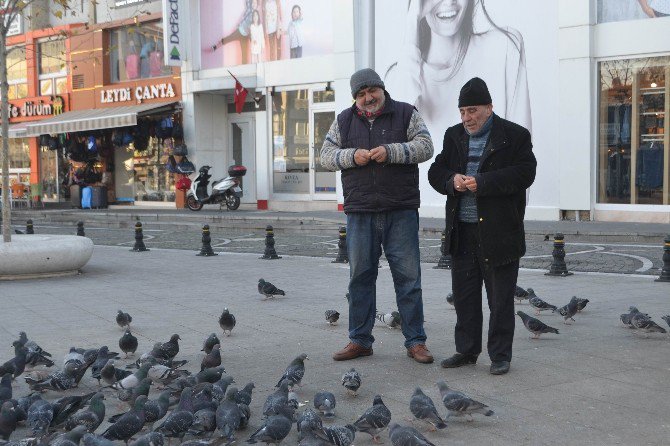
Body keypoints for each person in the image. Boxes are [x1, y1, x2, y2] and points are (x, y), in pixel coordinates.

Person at [320, 68, 435, 364]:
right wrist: (351, 156)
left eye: (372, 91)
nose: (367, 98)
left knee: (409, 278)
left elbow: (426, 147)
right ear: (355, 98)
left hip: (401, 209)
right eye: (361, 94)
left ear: (382, 89)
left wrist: (392, 151)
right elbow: (325, 156)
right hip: (360, 211)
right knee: (359, 278)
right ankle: (359, 340)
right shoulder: (343, 120)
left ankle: (416, 341)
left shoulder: (406, 114)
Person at [427, 77, 536, 375]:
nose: (466, 118)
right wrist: (452, 181)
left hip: (499, 232)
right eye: (462, 111)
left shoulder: (514, 135)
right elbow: (436, 171)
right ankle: (466, 350)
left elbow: (525, 173)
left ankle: (500, 356)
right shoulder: (453, 136)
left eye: (472, 110)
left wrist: (484, 183)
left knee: (500, 299)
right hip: (462, 231)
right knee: (464, 296)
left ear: (489, 107)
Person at [385, 0, 531, 149]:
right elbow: (395, 146)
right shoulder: (399, 78)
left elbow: (521, 154)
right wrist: (412, 23)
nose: (449, 2)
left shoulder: (504, 48)